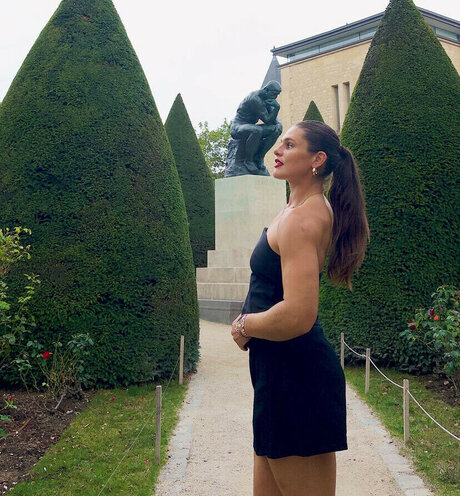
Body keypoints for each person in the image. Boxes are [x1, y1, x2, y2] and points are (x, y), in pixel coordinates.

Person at [231, 120, 369, 496]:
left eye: (289, 145)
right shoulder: (294, 209)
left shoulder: (303, 218)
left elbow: (298, 314)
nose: (277, 150)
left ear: (317, 159)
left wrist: (244, 325)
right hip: (277, 373)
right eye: (280, 143)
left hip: (296, 377)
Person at [225, 81, 283, 177]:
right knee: (256, 130)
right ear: (266, 90)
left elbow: (273, 118)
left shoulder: (267, 98)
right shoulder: (254, 99)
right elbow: (268, 120)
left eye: (277, 94)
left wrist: (279, 124)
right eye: (274, 93)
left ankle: (259, 157)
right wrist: (277, 108)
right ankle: (248, 161)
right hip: (238, 127)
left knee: (276, 130)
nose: (275, 97)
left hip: (250, 127)